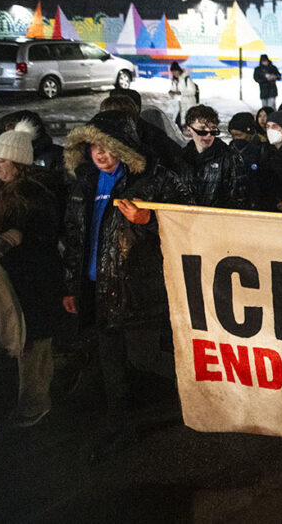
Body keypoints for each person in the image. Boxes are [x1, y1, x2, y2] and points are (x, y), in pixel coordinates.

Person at [62, 110, 193, 455]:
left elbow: (189, 223)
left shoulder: (153, 180)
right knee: (111, 363)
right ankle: (121, 428)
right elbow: (76, 235)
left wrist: (149, 219)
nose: (100, 155)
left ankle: (202, 392)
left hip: (137, 289)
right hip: (96, 288)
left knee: (145, 357)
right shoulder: (85, 183)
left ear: (124, 148)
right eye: (93, 148)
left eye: (107, 147)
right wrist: (71, 287)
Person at [0, 120, 64, 427]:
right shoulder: (8, 188)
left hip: (36, 278)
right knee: (26, 340)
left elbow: (22, 232)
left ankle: (35, 404)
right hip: (21, 275)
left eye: (2, 160)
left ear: (18, 162)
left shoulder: (27, 194)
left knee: (33, 342)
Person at [180, 105, 246, 209]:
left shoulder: (229, 157)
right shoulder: (181, 158)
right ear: (189, 130)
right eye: (202, 130)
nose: (208, 135)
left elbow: (239, 198)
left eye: (213, 130)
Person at [227, 112, 268, 210]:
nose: (235, 139)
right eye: (233, 135)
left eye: (239, 135)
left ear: (250, 133)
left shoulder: (263, 149)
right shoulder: (229, 150)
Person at [167, 61, 198, 128]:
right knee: (178, 124)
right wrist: (171, 92)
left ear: (179, 70)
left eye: (176, 71)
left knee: (188, 123)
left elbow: (193, 91)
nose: (175, 74)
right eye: (173, 72)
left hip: (188, 105)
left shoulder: (186, 79)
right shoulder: (175, 81)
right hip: (179, 106)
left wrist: (182, 93)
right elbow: (173, 90)